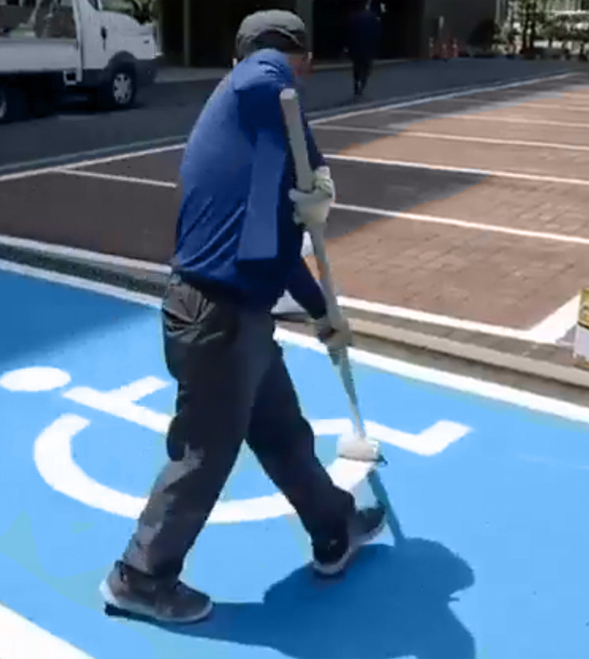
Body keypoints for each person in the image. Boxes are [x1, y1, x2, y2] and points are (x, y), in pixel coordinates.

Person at [99, 9, 387, 625]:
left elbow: (271, 244)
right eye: (298, 65)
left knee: (283, 433)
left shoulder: (258, 142)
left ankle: (333, 526)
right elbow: (266, 75)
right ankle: (140, 576)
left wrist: (322, 312)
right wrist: (313, 158)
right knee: (204, 453)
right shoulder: (258, 88)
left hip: (239, 319)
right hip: (215, 318)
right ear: (298, 58)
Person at [347, 1, 382, 97]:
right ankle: (362, 83)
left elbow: (348, 34)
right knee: (366, 66)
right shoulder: (373, 17)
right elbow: (376, 33)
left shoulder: (352, 17)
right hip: (368, 46)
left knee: (357, 65)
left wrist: (348, 47)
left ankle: (357, 82)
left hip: (356, 46)